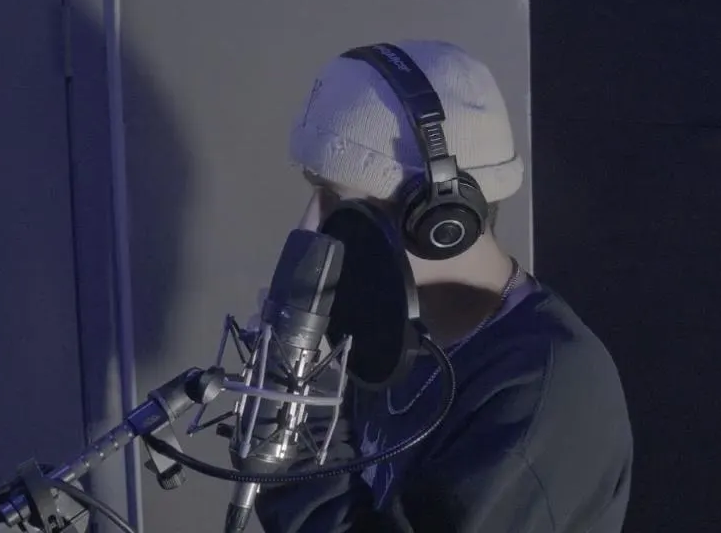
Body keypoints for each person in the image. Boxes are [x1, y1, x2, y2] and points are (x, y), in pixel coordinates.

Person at [254, 40, 633, 532]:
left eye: (332, 198)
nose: (311, 227)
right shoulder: (386, 330)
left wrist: (295, 432)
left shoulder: (547, 393)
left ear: (440, 219)